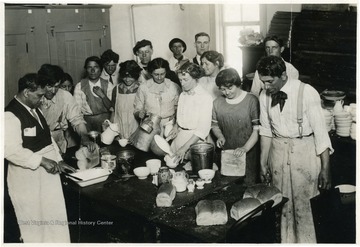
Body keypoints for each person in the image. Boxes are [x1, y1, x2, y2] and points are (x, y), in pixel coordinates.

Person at [257, 55, 332, 243]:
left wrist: (325, 169)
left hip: (304, 152)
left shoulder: (307, 92)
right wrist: (262, 162)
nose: (266, 87)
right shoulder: (264, 96)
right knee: (281, 205)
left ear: (283, 75)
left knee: (304, 206)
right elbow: (265, 131)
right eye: (263, 82)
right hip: (278, 152)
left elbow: (321, 133)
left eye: (269, 81)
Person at [4, 73, 76, 243]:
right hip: (27, 177)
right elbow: (10, 150)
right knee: (35, 222)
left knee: (54, 216)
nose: (43, 100)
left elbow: (47, 136)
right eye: (40, 95)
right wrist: (42, 161)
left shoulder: (35, 109)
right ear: (27, 92)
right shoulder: (10, 115)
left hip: (47, 174)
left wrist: (58, 159)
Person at [211, 68, 260, 185]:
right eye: (223, 89)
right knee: (228, 185)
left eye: (230, 88)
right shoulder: (217, 102)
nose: (227, 92)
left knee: (248, 187)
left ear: (238, 84)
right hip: (227, 153)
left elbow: (257, 130)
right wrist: (220, 137)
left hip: (249, 152)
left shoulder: (251, 100)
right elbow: (214, 125)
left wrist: (245, 148)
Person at [38, 64, 95, 154]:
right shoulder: (35, 97)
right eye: (50, 86)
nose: (53, 91)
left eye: (56, 86)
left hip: (59, 138)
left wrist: (84, 137)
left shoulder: (65, 96)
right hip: (40, 142)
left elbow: (77, 119)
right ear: (42, 83)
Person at [167, 62, 213, 163]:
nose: (182, 83)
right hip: (179, 139)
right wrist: (176, 126)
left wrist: (184, 148)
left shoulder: (205, 97)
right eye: (180, 80)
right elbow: (181, 115)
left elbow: (202, 130)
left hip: (194, 142)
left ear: (195, 78)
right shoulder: (183, 94)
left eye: (185, 80)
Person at [134, 57, 181, 136]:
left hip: (169, 125)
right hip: (150, 125)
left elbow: (179, 108)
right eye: (156, 74)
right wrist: (139, 113)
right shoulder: (143, 87)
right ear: (151, 73)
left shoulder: (174, 87)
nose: (159, 77)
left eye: (162, 74)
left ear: (166, 72)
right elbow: (137, 109)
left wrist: (174, 119)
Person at [74, 56, 112, 132]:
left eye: (96, 67)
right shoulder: (80, 86)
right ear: (86, 70)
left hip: (105, 122)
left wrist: (103, 96)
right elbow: (77, 111)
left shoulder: (108, 85)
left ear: (100, 69)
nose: (92, 70)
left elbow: (112, 108)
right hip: (87, 123)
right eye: (89, 67)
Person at [110, 60, 142, 139]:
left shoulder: (141, 89)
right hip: (120, 129)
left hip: (136, 130)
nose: (127, 80)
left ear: (136, 76)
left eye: (131, 77)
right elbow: (114, 111)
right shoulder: (116, 89)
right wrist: (112, 130)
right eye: (125, 76)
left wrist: (138, 132)